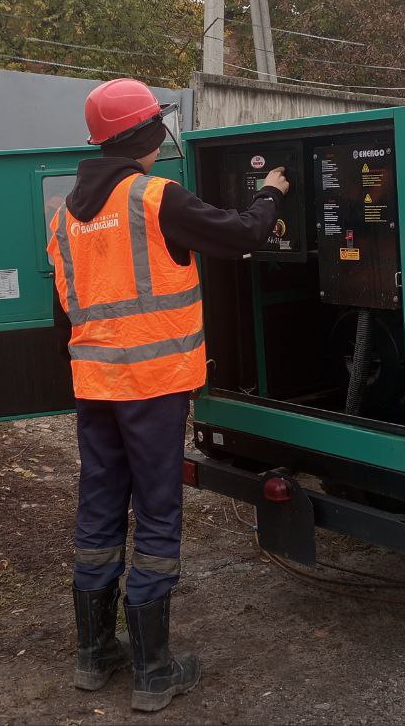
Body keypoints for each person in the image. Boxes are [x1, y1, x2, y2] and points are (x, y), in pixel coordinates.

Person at [46, 77, 289, 713]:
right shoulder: (156, 198)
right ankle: (155, 670)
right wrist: (271, 194)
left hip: (94, 387)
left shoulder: (66, 218)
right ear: (147, 136)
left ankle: (94, 655)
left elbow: (63, 316)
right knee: (156, 510)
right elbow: (241, 235)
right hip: (152, 389)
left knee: (99, 507)